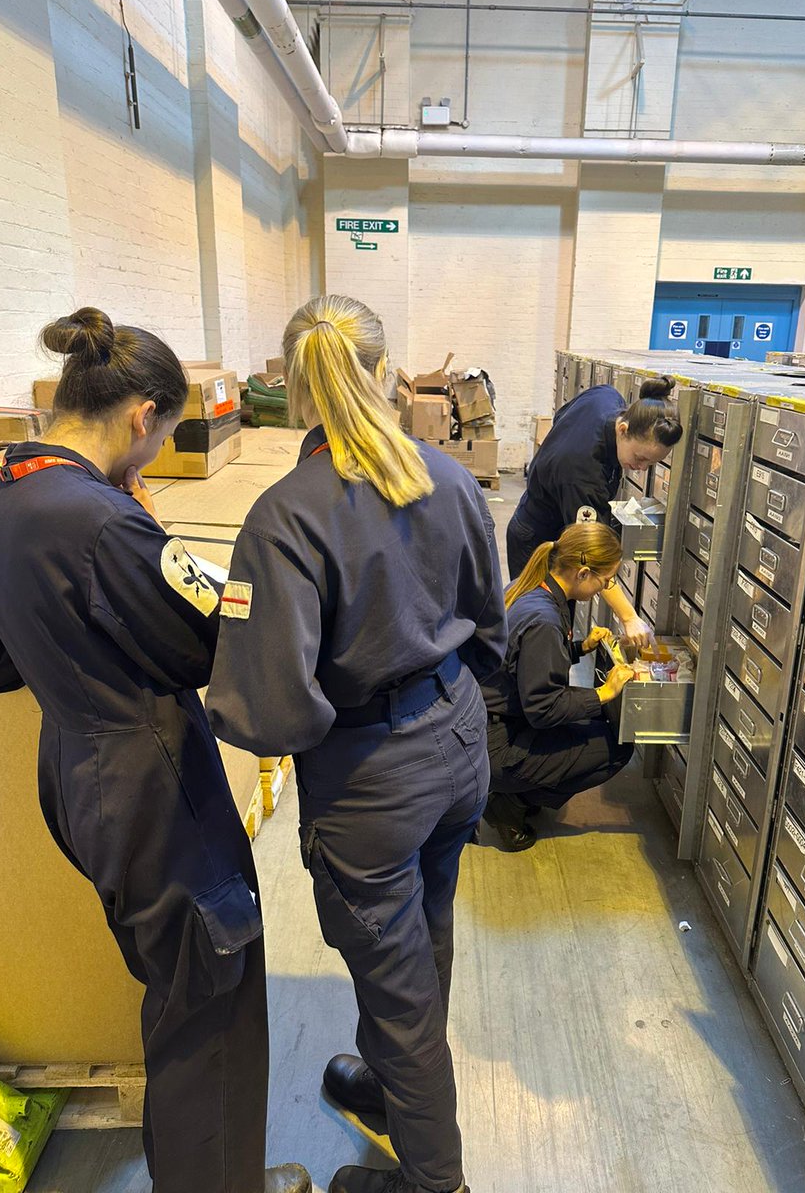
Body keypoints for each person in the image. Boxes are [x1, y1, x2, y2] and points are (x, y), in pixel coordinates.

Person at [0, 309, 309, 1193]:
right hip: (152, 788)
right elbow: (209, 637)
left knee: (177, 991)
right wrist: (228, 573)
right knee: (210, 1011)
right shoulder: (101, 522)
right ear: (143, 417)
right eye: (162, 437)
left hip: (81, 770)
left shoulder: (7, 490)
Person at [206, 294, 507, 1193]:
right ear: (385, 373)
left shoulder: (283, 517)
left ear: (293, 392)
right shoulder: (447, 477)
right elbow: (488, 620)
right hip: (456, 745)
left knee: (397, 970)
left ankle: (434, 1180)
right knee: (430, 925)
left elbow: (269, 713)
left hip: (371, 775)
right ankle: (387, 1083)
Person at [480, 522, 637, 851]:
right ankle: (509, 803)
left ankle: (513, 790)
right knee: (616, 748)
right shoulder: (545, 620)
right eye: (605, 580)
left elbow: (525, 664)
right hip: (499, 745)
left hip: (493, 726)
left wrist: (580, 648)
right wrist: (604, 692)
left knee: (593, 724)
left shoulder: (536, 591)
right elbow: (543, 709)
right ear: (582, 573)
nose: (605, 587)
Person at [506, 374, 682, 644]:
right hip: (537, 539)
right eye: (639, 458)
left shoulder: (607, 397)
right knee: (541, 631)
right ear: (623, 429)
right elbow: (590, 556)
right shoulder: (582, 474)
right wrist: (629, 617)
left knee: (555, 628)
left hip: (554, 522)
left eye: (651, 463)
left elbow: (561, 417)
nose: (641, 468)